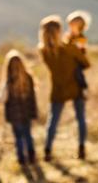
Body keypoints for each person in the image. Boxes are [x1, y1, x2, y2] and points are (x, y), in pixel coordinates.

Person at [39, 15, 90, 161]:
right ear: (59, 31)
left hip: (58, 89)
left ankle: (47, 150)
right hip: (75, 86)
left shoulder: (43, 51)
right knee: (80, 118)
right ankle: (81, 149)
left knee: (53, 121)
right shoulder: (70, 48)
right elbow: (86, 63)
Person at [0, 49, 38, 165]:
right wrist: (34, 113)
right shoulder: (29, 78)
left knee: (18, 137)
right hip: (27, 113)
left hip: (14, 115)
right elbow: (33, 99)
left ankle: (21, 159)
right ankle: (31, 156)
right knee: (28, 135)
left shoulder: (8, 82)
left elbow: (3, 98)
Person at [64, 10, 91, 95]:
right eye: (70, 25)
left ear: (80, 26)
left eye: (73, 25)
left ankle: (84, 87)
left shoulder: (81, 37)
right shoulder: (68, 35)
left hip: (78, 60)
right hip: (69, 59)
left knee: (78, 72)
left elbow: (80, 48)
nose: (71, 27)